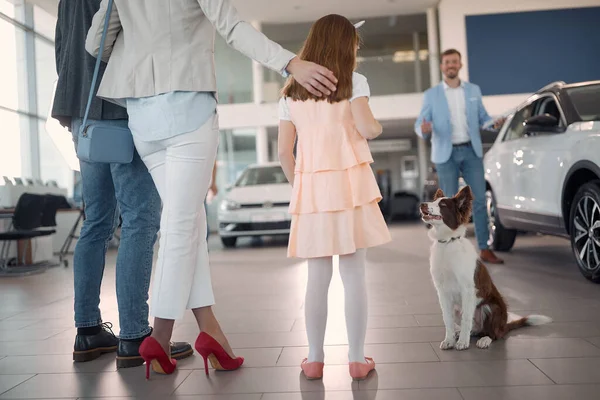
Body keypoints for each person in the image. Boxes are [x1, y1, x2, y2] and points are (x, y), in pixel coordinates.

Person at [85, 0, 338, 378]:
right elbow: (233, 28)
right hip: (188, 107)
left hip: (142, 117)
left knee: (187, 225)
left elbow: (95, 44)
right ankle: (161, 333)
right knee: (180, 225)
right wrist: (290, 63)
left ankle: (210, 330)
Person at [52, 0, 192, 368]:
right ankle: (134, 334)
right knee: (140, 220)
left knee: (96, 221)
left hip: (81, 114)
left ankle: (87, 332)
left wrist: (73, 107)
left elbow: (62, 44)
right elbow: (137, 40)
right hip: (120, 107)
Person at [277, 15, 391, 381]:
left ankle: (313, 359)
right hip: (350, 187)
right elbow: (368, 127)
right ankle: (357, 359)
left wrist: (302, 188)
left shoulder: (291, 89)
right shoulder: (354, 81)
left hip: (311, 191)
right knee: (354, 273)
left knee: (317, 276)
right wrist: (376, 125)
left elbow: (284, 153)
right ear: (344, 44)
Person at [414, 48, 506, 265]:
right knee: (446, 205)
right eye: (447, 62)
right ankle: (448, 249)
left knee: (480, 201)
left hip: (470, 151)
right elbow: (420, 124)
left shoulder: (473, 90)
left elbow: (483, 118)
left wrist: (493, 123)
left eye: (454, 61)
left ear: (460, 64)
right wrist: (424, 129)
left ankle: (484, 248)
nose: (451, 65)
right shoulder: (431, 94)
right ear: (442, 66)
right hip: (445, 155)